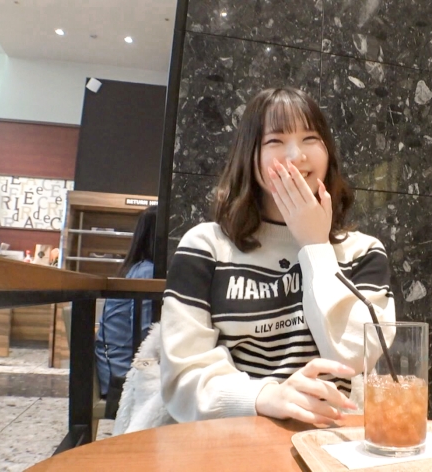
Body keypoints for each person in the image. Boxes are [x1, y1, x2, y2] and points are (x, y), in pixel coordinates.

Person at [160, 87, 396, 426]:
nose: (296, 155)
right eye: (275, 140)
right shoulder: (205, 247)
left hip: (331, 439)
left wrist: (315, 247)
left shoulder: (363, 252)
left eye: (310, 138)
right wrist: (265, 396)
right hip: (235, 436)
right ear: (250, 155)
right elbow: (183, 377)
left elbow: (355, 357)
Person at [95, 205, 157, 400]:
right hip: (121, 375)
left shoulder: (138, 268)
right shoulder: (148, 273)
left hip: (116, 366)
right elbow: (145, 336)